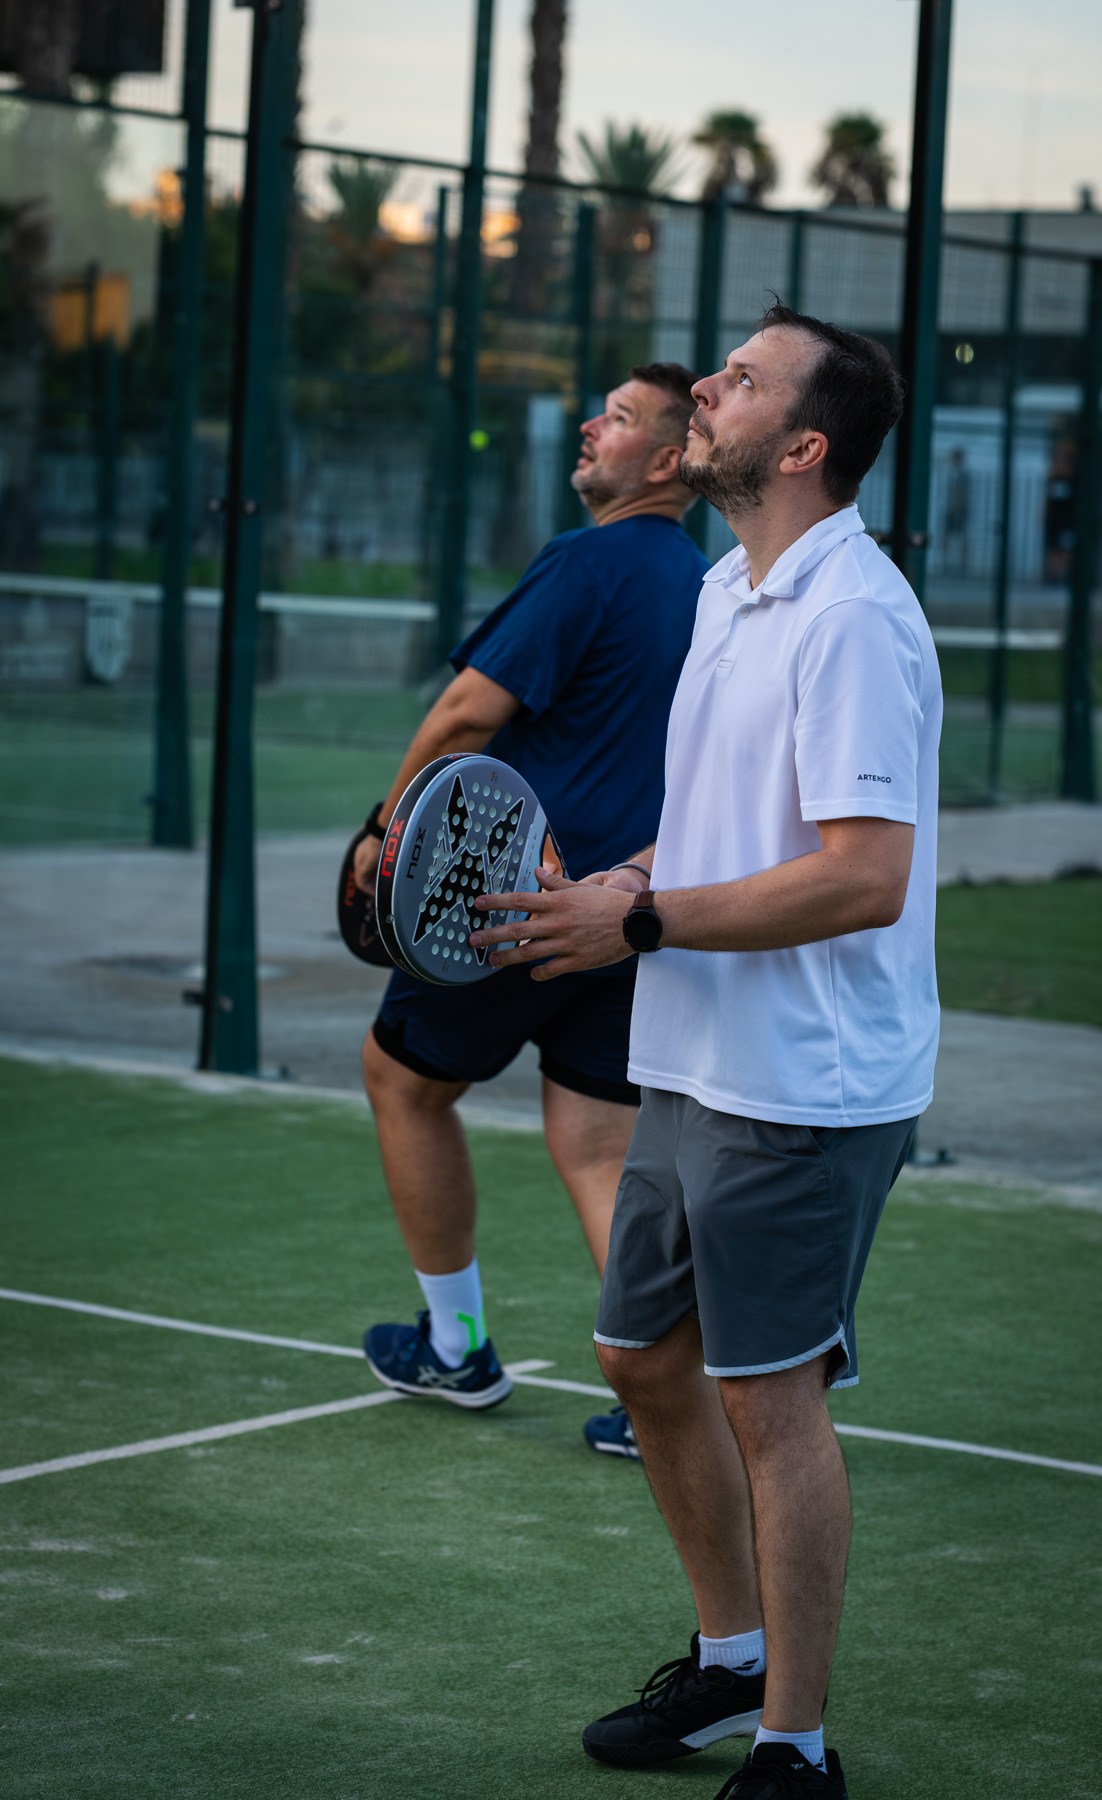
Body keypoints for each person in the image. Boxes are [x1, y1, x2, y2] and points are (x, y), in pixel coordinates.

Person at [471, 304, 941, 1798]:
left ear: (799, 446)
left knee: (768, 1395)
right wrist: (621, 886)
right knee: (637, 1357)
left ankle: (794, 1746)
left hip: (801, 1081)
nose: (706, 391)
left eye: (739, 381)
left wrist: (647, 922)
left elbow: (862, 872)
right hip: (690, 1057)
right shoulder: (729, 596)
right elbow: (734, 823)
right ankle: (729, 1657)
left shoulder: (852, 615)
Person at [353, 363, 709, 1442]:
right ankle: (655, 1402)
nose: (593, 424)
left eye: (622, 418)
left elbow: (467, 712)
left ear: (663, 463)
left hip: (513, 906)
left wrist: (385, 829)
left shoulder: (587, 559)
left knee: (401, 1082)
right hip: (626, 915)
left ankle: (456, 1350)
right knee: (598, 1144)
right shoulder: (704, 582)